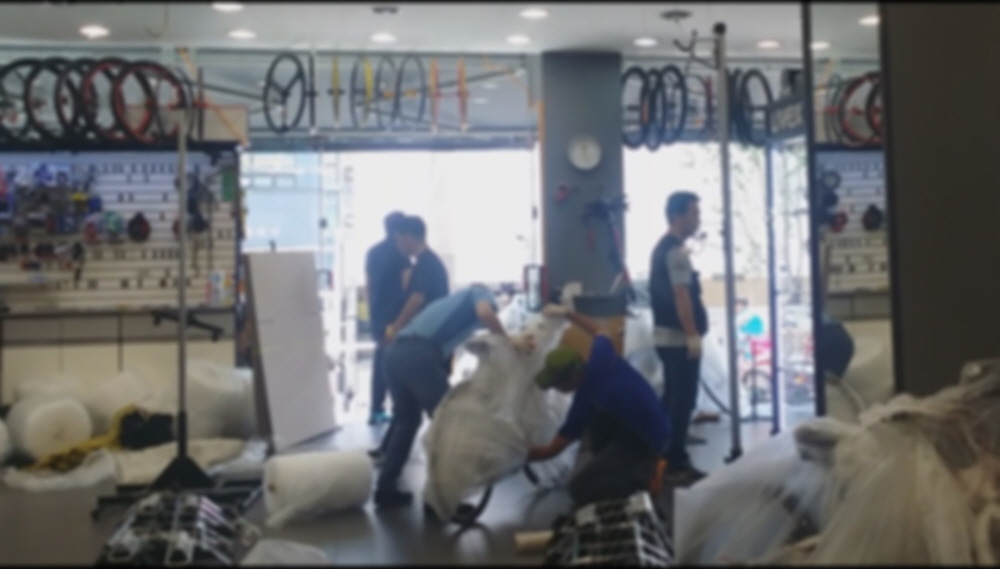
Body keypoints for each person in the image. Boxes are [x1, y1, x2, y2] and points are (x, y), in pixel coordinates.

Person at [373, 284, 534, 508]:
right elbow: (485, 314)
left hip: (393, 355)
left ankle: (385, 487)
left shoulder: (447, 303)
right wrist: (509, 342)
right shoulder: (478, 292)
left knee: (406, 422)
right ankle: (439, 500)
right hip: (419, 355)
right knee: (448, 426)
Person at [527, 304, 671, 507]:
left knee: (579, 489)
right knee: (597, 422)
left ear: (573, 376)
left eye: (557, 383)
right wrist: (568, 313)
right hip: (657, 423)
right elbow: (598, 330)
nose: (556, 389)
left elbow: (553, 450)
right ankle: (622, 464)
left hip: (648, 441)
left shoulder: (586, 399)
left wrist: (518, 456)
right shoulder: (600, 357)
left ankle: (645, 476)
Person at [649, 191, 708, 485]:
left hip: (665, 338)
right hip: (678, 340)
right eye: (694, 213)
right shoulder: (676, 253)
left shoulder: (661, 249)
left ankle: (661, 457)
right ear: (677, 216)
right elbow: (681, 294)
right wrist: (691, 335)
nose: (698, 220)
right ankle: (675, 463)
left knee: (672, 399)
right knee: (682, 402)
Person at [364, 211, 411, 426]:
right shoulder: (401, 253)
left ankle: (376, 408)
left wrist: (373, 311)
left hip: (378, 314)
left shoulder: (372, 252)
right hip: (396, 316)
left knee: (380, 361)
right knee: (395, 362)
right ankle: (399, 407)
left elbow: (368, 286)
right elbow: (406, 284)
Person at [385, 216, 450, 339]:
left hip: (428, 335)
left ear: (408, 237)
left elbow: (416, 299)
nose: (397, 245)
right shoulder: (429, 261)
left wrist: (395, 329)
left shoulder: (426, 264)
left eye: (398, 239)